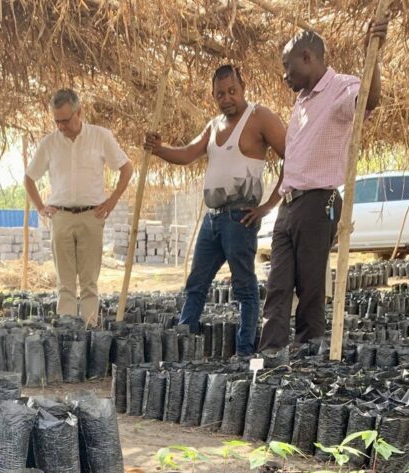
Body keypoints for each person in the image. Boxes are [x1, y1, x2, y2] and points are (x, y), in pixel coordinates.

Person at [258, 20, 388, 352]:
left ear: (307, 57)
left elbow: (369, 101)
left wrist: (373, 56)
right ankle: (270, 355)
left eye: (287, 67)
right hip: (290, 204)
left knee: (311, 286)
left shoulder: (342, 88)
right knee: (278, 285)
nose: (284, 75)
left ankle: (307, 352)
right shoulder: (301, 100)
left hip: (319, 202)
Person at [145, 66, 286, 358]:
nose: (227, 98)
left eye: (232, 91)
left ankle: (245, 353)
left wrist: (268, 206)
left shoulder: (260, 117)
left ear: (243, 87)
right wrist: (159, 149)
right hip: (214, 218)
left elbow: (292, 157)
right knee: (196, 282)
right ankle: (183, 344)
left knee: (244, 287)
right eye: (220, 94)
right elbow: (187, 153)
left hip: (240, 217)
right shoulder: (214, 125)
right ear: (213, 95)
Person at [25, 88, 133, 326]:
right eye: (57, 121)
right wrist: (41, 207)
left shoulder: (101, 136)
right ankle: (65, 333)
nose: (61, 126)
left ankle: (89, 331)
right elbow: (29, 178)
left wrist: (113, 199)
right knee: (64, 283)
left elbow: (126, 168)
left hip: (92, 216)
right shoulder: (49, 143)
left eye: (65, 120)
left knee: (89, 282)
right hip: (60, 217)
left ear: (79, 112)